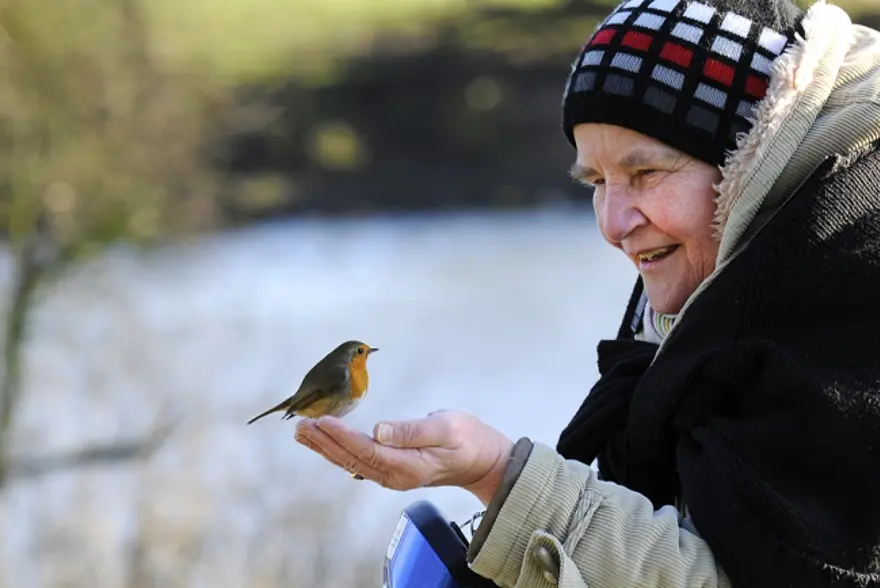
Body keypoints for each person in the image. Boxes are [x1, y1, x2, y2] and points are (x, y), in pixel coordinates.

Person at [294, 0, 880, 585]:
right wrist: (495, 484)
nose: (613, 223)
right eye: (597, 182)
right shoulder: (711, 286)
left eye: (646, 173)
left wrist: (506, 479)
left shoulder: (846, 305)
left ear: (750, 153)